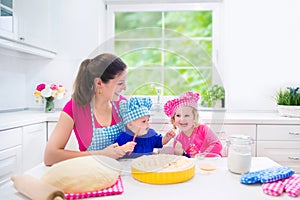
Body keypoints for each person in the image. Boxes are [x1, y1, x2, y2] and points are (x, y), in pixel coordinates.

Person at [44, 53, 136, 166]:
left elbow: (136, 139)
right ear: (99, 83)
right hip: (91, 170)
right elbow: (50, 156)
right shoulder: (74, 108)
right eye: (120, 83)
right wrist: (101, 154)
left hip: (123, 169)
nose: (125, 88)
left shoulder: (122, 104)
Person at [163, 91, 222, 158]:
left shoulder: (203, 129)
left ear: (194, 117)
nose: (182, 119)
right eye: (178, 115)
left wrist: (202, 156)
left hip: (212, 164)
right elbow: (184, 160)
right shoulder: (178, 140)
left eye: (187, 115)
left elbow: (217, 145)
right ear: (173, 119)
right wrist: (179, 153)